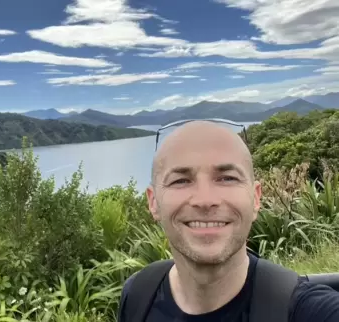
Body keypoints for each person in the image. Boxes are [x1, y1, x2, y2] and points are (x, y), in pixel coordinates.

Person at [117, 120, 339, 322]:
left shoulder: (307, 311)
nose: (205, 200)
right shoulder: (138, 295)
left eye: (227, 178)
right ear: (153, 202)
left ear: (255, 198)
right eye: (181, 180)